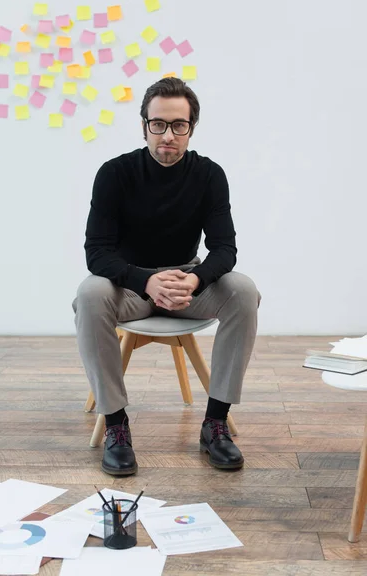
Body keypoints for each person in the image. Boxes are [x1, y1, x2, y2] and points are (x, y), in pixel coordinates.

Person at [72, 77, 261, 476]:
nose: (168, 135)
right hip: (130, 285)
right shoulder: (114, 173)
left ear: (191, 128)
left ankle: (215, 423)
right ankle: (116, 426)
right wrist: (145, 281)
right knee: (89, 294)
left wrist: (196, 280)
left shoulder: (210, 175)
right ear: (144, 125)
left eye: (179, 125)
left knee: (243, 289)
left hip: (187, 281)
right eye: (158, 124)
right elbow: (97, 251)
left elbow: (225, 248)